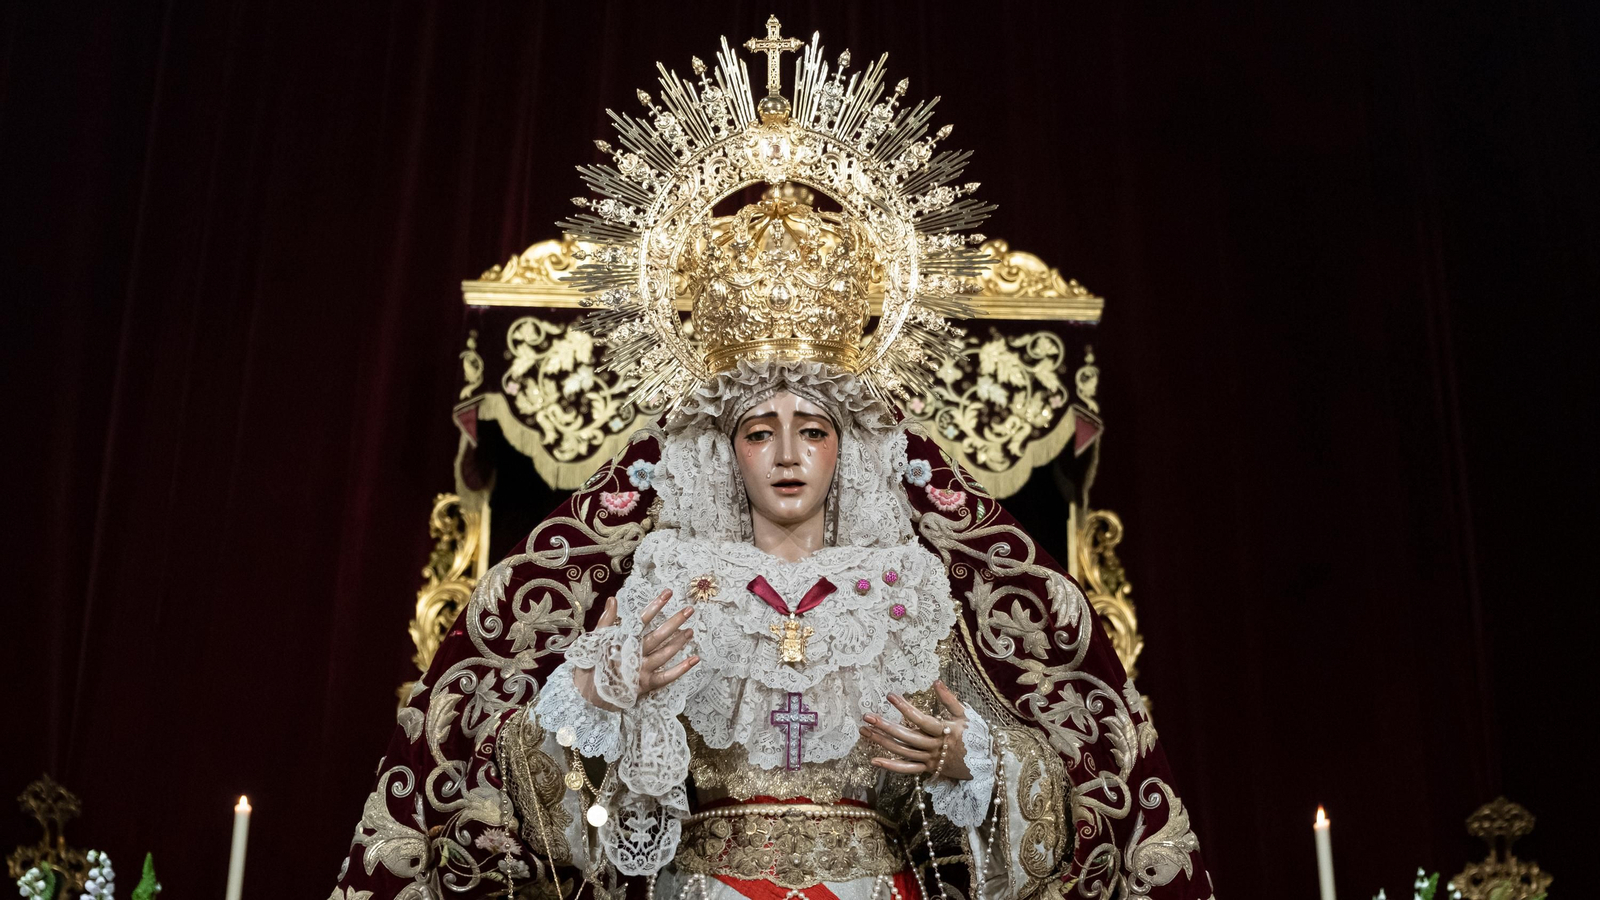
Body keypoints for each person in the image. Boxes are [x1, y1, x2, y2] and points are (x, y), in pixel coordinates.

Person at [331, 20, 1211, 900]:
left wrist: (963, 760)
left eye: (814, 430)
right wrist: (603, 702)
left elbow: (1043, 793)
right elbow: (545, 814)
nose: (787, 454)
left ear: (849, 448)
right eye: (759, 431)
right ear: (726, 451)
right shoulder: (667, 582)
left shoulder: (902, 590)